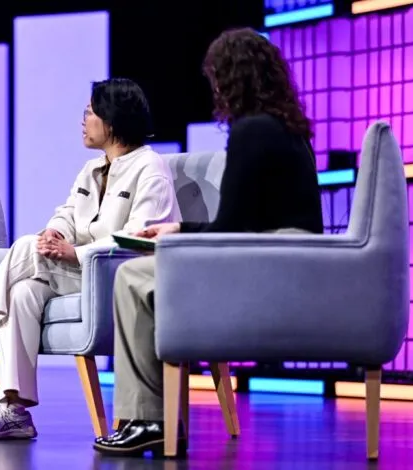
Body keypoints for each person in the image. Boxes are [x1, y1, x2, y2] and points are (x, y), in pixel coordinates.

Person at [93, 28, 324, 456]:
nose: (215, 88)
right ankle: (157, 420)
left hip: (263, 265)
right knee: (147, 279)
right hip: (287, 260)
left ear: (232, 79)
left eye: (217, 78)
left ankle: (146, 418)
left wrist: (177, 233)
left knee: (130, 276)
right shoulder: (289, 129)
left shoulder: (252, 131)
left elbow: (233, 225)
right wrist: (182, 233)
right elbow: (252, 221)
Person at [0, 78, 181, 440]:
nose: (82, 120)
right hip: (79, 273)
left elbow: (138, 240)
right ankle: (14, 410)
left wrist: (76, 252)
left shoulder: (151, 168)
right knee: (21, 292)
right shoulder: (91, 169)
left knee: (23, 247)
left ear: (112, 121)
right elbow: (68, 213)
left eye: (89, 112)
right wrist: (55, 233)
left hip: (120, 277)